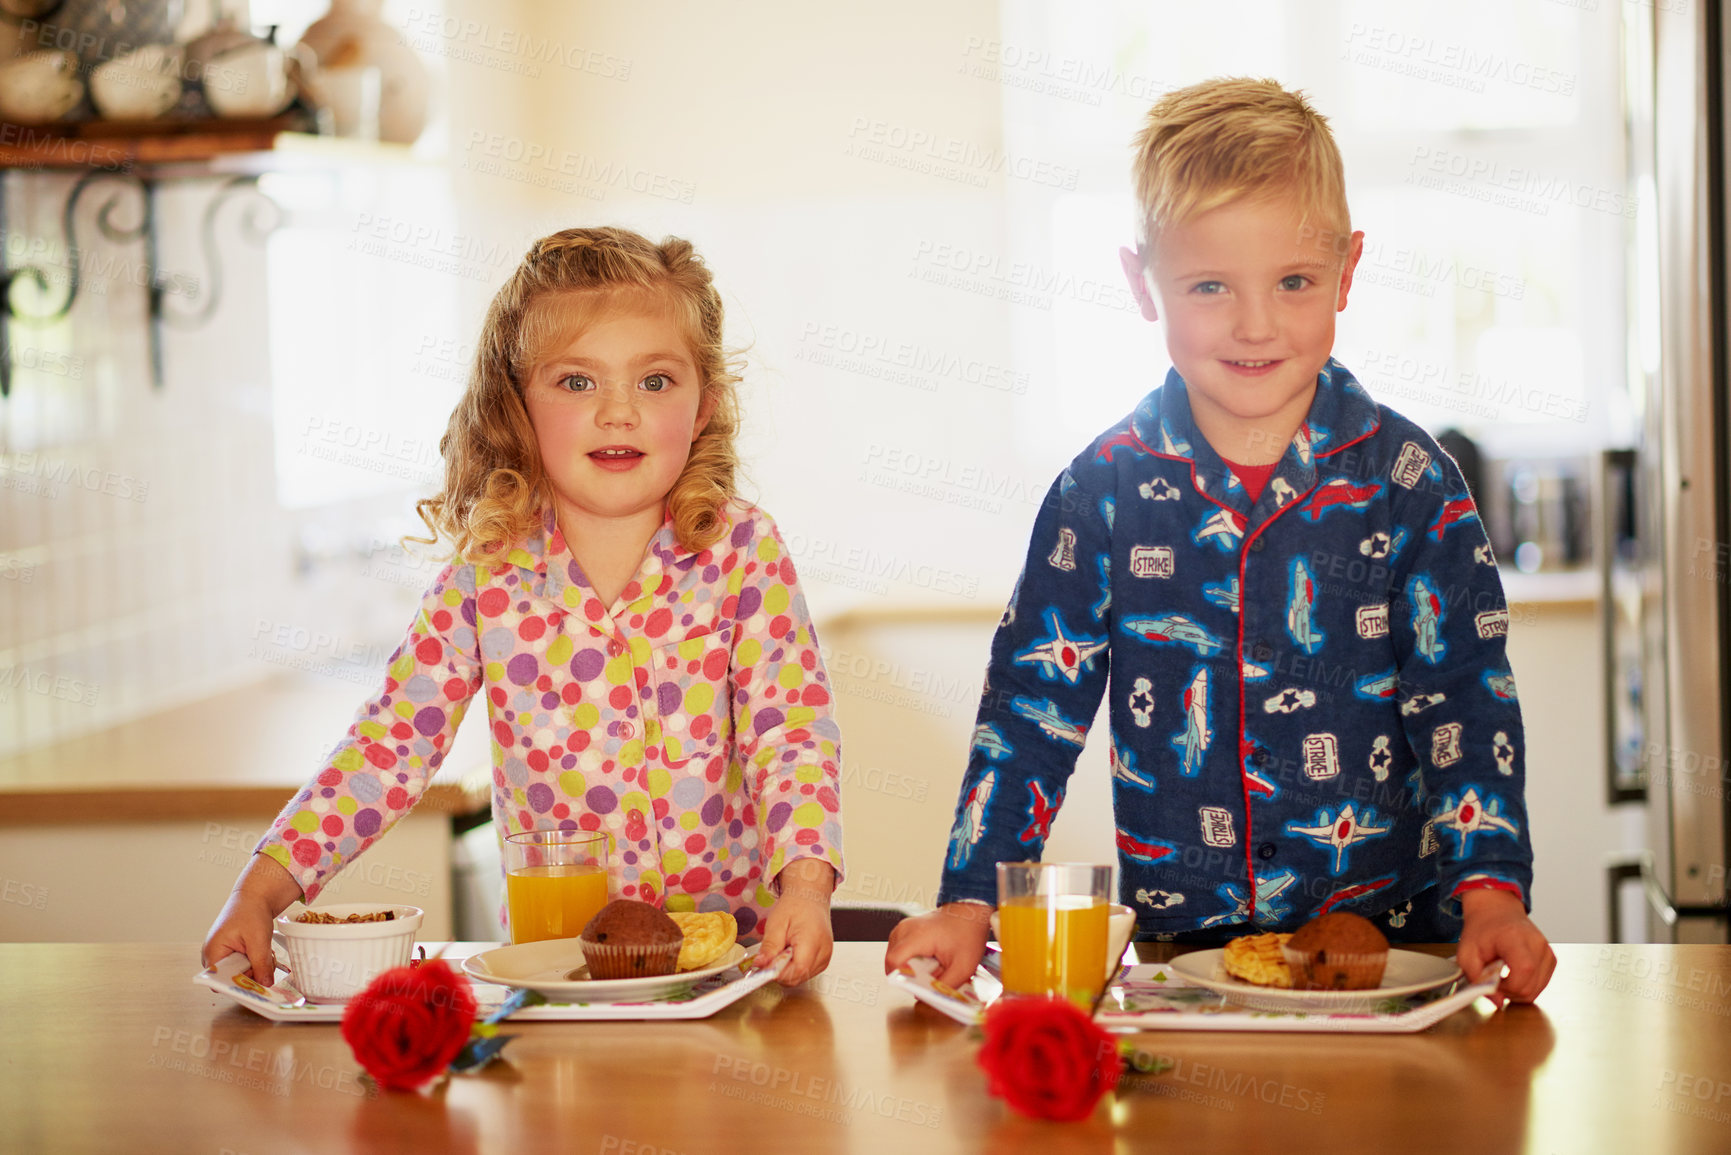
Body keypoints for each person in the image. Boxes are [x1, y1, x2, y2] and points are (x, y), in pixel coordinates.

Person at [886, 78, 1555, 1005]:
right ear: (1141, 285)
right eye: (1209, 286)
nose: (1254, 324)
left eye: (1293, 282)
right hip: (1182, 957)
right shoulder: (1101, 489)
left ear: (1347, 272)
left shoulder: (1413, 483)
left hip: (1397, 950)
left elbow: (1464, 704)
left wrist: (1491, 894)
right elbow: (1032, 707)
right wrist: (968, 902)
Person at [204, 227, 844, 987]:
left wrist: (804, 887)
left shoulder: (742, 551)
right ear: (516, 405)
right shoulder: (487, 573)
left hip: (729, 969)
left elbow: (792, 735)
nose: (617, 412)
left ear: (701, 405)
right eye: (577, 382)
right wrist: (261, 889)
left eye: (655, 381)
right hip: (558, 977)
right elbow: (387, 749)